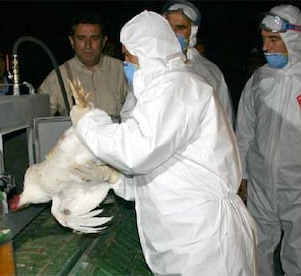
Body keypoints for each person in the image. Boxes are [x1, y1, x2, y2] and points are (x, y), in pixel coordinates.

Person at [69, 10, 257, 275]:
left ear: (147, 53)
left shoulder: (177, 88)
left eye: (128, 56)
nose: (125, 63)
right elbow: (159, 170)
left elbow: (136, 151)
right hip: (184, 235)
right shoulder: (160, 91)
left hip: (203, 239)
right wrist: (116, 179)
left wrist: (87, 121)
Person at [235, 4, 301, 275]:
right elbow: (244, 131)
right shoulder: (260, 79)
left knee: (300, 255)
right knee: (257, 249)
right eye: (264, 40)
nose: (266, 47)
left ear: (294, 37)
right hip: (260, 184)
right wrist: (242, 174)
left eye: (273, 39)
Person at [37, 11, 127, 116]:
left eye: (94, 38)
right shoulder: (59, 76)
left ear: (104, 41)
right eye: (81, 38)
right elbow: (37, 120)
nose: (88, 45)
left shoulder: (122, 70)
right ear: (72, 41)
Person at [161, 0, 234, 126]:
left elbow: (224, 121)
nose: (173, 34)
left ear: (193, 32)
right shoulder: (149, 64)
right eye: (169, 27)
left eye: (180, 28)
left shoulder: (210, 72)